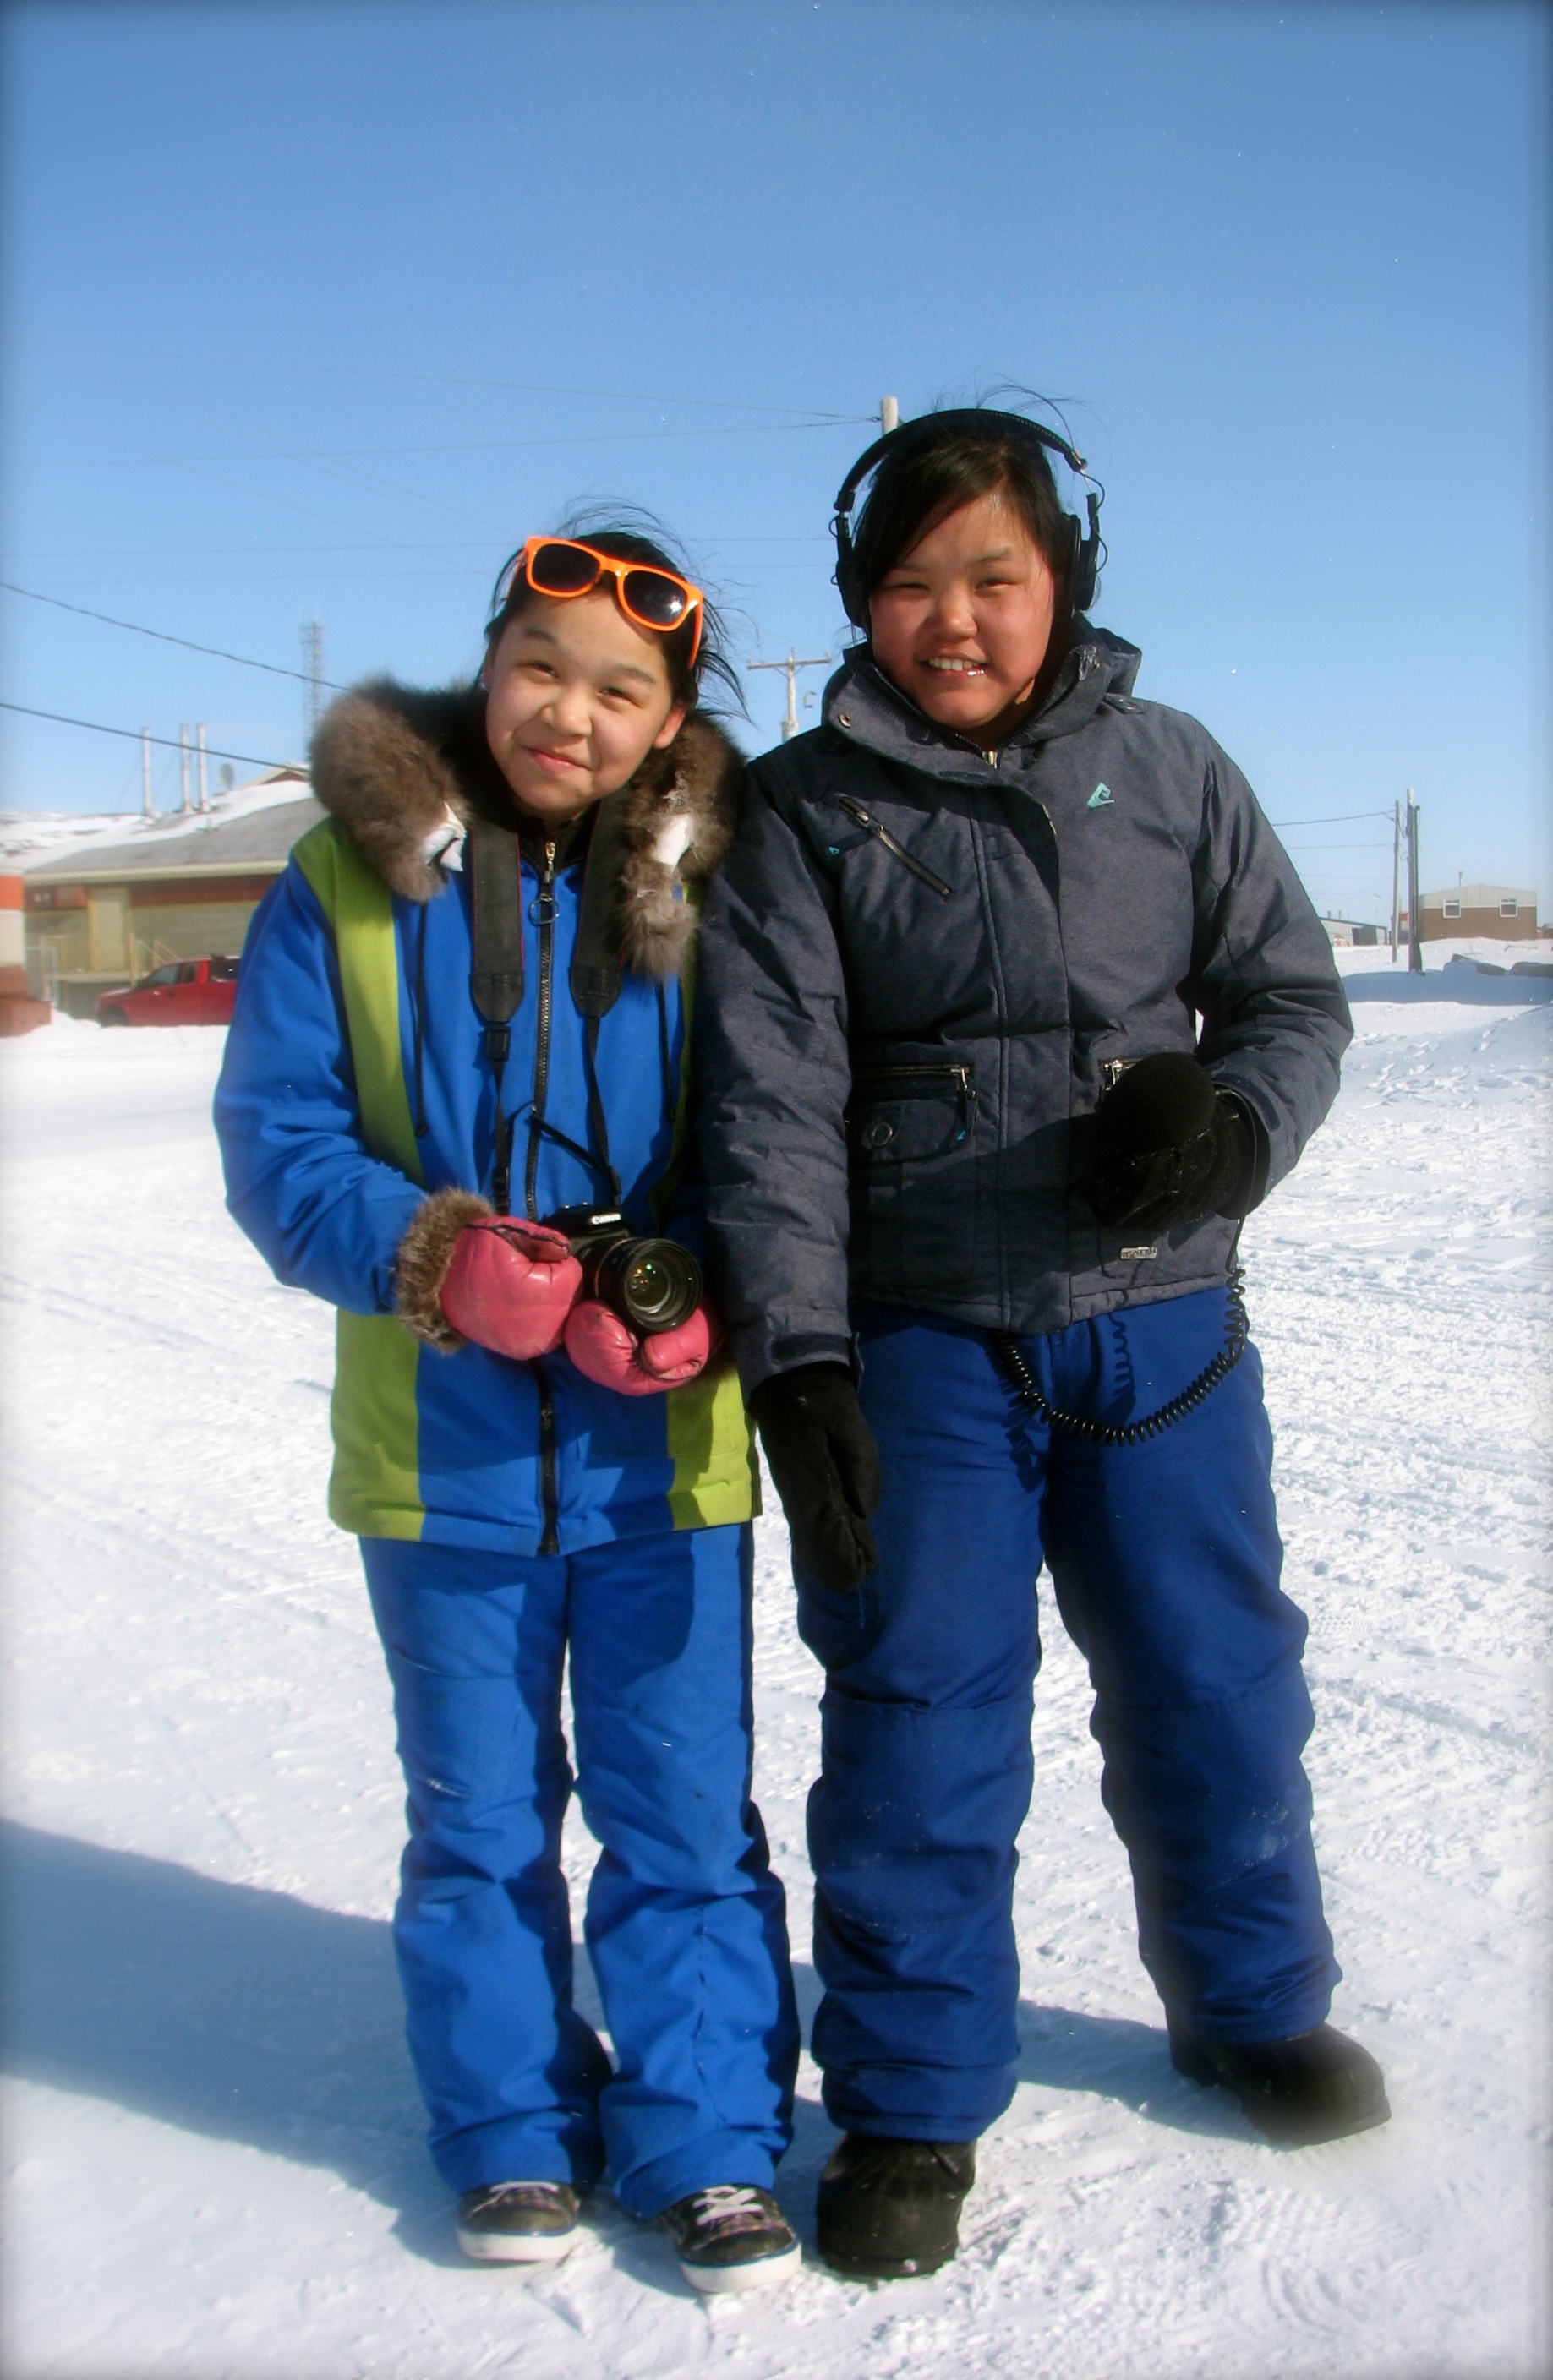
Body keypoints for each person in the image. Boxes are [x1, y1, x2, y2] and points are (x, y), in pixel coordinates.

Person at [692, 408, 1390, 2282]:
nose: (955, 618)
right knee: (921, 1709)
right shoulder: (799, 807)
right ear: (862, 600)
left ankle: (1249, 2003)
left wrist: (1234, 1123)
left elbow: (1288, 997)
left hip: (1159, 1322)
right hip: (923, 1341)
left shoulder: (1168, 766)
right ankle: (913, 2102)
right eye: (911, 584)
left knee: (1213, 1677)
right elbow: (768, 1107)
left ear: (1060, 575)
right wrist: (804, 1362)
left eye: (992, 575)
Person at [215, 522, 801, 2293]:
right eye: (541, 665)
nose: (571, 711)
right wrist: (425, 1252)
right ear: (487, 666)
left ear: (671, 715)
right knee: (475, 1814)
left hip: (664, 1452)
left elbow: (772, 1134)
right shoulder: (341, 876)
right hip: (441, 1454)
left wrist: (687, 1281)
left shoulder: (737, 884)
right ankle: (509, 2128)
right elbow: (277, 1138)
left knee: (682, 1812)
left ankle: (703, 2137)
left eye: (622, 688)